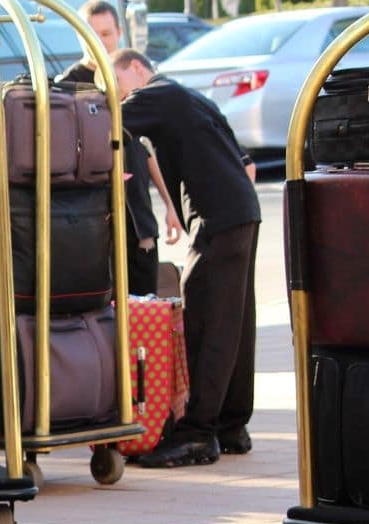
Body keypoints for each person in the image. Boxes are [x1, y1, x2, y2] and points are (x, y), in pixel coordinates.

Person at [109, 48, 260, 467]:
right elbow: (243, 159)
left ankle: (198, 433)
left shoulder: (158, 94)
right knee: (234, 323)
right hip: (241, 212)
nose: (120, 97)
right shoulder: (192, 98)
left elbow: (107, 124)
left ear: (136, 70)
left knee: (207, 321)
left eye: (118, 85)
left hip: (216, 218)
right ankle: (231, 424)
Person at [55, 1, 181, 295]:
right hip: (93, 218)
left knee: (144, 302)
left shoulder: (131, 75)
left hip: (137, 214)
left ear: (120, 33)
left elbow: (146, 149)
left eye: (107, 34)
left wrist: (171, 205)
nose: (100, 42)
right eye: (92, 35)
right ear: (79, 37)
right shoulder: (67, 85)